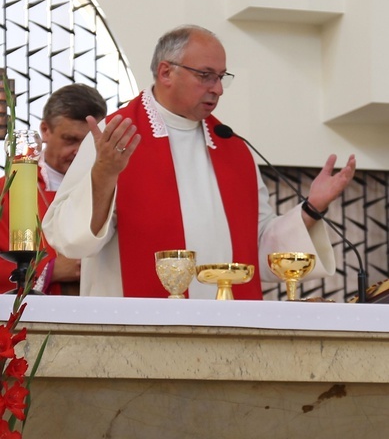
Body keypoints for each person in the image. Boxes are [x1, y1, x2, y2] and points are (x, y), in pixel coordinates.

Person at [42, 25, 356, 299]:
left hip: (225, 332)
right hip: (138, 333)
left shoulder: (232, 148)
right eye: (205, 76)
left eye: (221, 77)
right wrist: (104, 174)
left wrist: (312, 207)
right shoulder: (113, 137)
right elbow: (73, 241)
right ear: (166, 72)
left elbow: (258, 250)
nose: (217, 89)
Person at [0, 83, 107, 294]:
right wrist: (48, 270)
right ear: (45, 131)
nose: (79, 152)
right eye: (70, 140)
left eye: (88, 142)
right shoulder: (6, 192)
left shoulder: (110, 188)